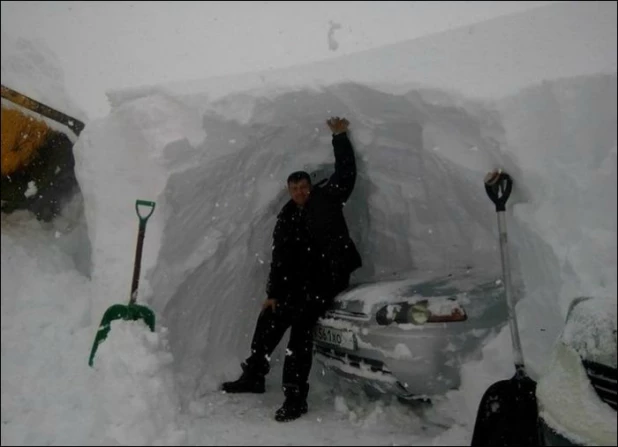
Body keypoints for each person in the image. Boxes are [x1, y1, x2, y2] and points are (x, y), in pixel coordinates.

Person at [221, 116, 362, 422]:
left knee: (299, 331)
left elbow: (347, 174)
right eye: (294, 188)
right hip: (298, 284)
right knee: (270, 318)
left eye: (303, 186)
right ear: (288, 190)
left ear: (311, 186)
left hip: (329, 278)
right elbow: (279, 258)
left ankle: (295, 396)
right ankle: (255, 374)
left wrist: (339, 136)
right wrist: (273, 294)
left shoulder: (326, 199)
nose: (300, 191)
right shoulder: (286, 218)